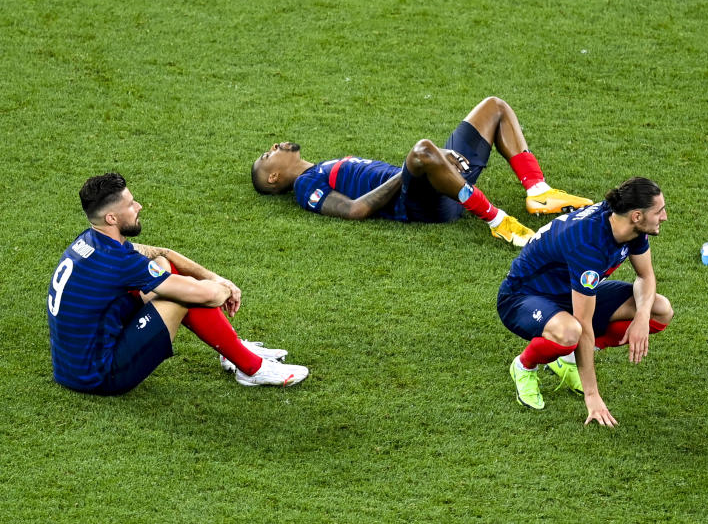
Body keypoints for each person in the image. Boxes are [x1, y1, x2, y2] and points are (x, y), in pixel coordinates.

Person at [47, 173, 309, 395]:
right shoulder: (118, 261)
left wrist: (214, 277)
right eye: (130, 204)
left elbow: (163, 254)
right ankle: (251, 368)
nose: (138, 206)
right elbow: (207, 296)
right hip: (98, 377)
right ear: (112, 219)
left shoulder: (90, 240)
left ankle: (234, 350)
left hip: (72, 366)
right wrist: (224, 288)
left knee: (164, 267)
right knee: (182, 296)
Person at [250, 97, 594, 247]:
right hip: (418, 203)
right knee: (423, 149)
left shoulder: (322, 166)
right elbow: (355, 211)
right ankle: (497, 222)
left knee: (494, 107)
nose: (276, 146)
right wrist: (413, 167)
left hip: (440, 180)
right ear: (273, 178)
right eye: (269, 155)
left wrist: (436, 164)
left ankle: (538, 191)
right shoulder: (306, 186)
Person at [496, 177, 674, 427]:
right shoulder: (587, 245)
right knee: (571, 332)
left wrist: (642, 316)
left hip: (569, 294)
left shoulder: (627, 224)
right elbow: (584, 323)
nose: (664, 216)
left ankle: (567, 362)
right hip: (522, 297)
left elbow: (645, 276)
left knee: (659, 310)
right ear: (637, 216)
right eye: (659, 211)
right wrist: (593, 397)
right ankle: (524, 366)